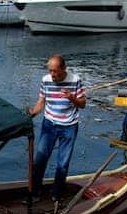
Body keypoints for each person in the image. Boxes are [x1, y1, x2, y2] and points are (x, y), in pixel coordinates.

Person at [27, 54, 86, 201]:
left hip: (69, 126)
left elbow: (83, 104)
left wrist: (71, 97)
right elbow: (42, 100)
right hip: (49, 124)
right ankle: (35, 192)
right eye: (50, 70)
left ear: (64, 69)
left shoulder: (75, 80)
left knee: (62, 163)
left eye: (55, 71)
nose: (52, 74)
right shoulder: (45, 80)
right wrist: (33, 113)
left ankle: (56, 193)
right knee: (40, 159)